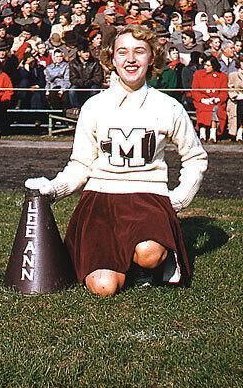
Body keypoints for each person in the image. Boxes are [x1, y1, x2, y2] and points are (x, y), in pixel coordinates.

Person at [24, 24, 208, 297]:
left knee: (148, 253)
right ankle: (123, 265)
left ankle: (146, 266)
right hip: (101, 200)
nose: (130, 59)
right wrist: (52, 190)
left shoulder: (168, 107)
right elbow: (81, 164)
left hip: (149, 198)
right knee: (103, 287)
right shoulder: (95, 106)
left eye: (139, 51)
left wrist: (178, 199)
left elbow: (195, 157)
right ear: (111, 59)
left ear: (152, 58)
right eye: (122, 52)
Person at [191, 55, 228, 143]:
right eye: (205, 65)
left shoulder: (222, 76)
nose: (205, 67)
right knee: (203, 109)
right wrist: (202, 100)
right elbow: (194, 90)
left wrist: (217, 99)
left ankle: (213, 134)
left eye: (208, 65)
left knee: (215, 109)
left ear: (214, 66)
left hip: (216, 101)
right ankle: (202, 134)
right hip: (202, 100)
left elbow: (224, 92)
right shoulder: (198, 74)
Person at [68, 40, 103, 108]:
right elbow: (73, 78)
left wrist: (89, 82)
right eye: (84, 52)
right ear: (79, 53)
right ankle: (76, 108)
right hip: (79, 84)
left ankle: (93, 107)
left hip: (92, 84)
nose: (87, 54)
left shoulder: (95, 62)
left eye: (88, 52)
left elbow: (98, 77)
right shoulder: (73, 63)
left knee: (94, 89)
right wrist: (81, 82)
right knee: (72, 90)